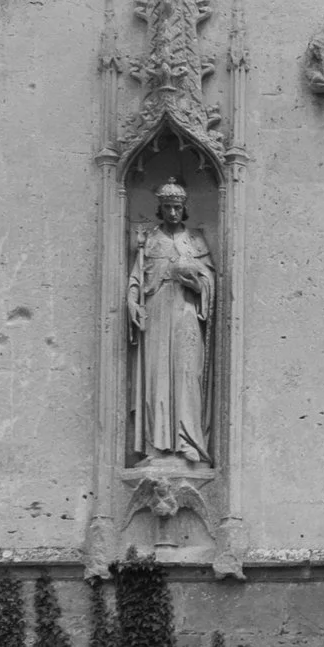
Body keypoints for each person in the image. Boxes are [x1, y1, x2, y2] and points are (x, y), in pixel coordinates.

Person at [127, 180, 215, 466]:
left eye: (177, 208)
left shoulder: (196, 240)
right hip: (156, 311)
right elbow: (137, 279)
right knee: (157, 377)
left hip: (186, 310)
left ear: (184, 208)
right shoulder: (148, 240)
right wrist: (132, 302)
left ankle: (188, 440)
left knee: (187, 372)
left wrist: (198, 283)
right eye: (167, 208)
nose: (173, 213)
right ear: (160, 209)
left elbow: (210, 282)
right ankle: (158, 445)